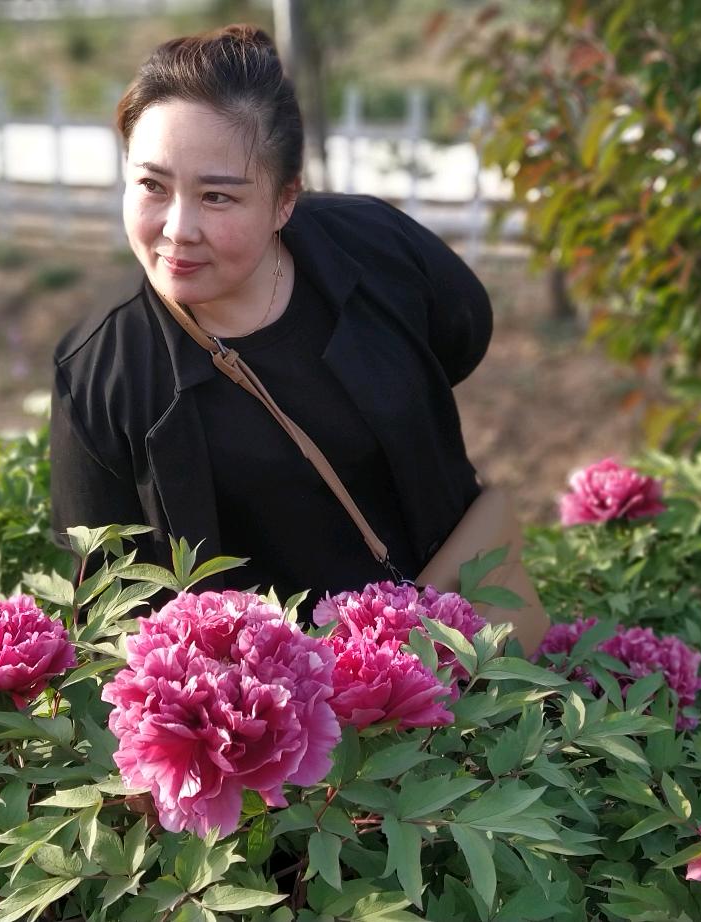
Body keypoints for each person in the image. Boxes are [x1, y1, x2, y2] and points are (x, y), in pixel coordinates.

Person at [49, 24, 492, 613]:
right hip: (266, 672)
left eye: (217, 196)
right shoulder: (98, 372)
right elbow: (111, 594)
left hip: (454, 634)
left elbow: (460, 337)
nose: (178, 229)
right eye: (152, 184)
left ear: (285, 200)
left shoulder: (376, 250)